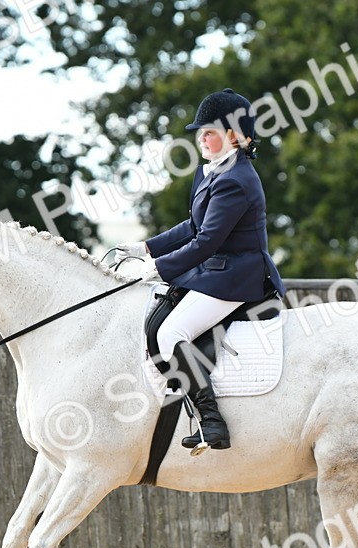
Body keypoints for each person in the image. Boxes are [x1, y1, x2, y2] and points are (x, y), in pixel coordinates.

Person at [115, 88, 286, 452]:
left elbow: (207, 240)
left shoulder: (237, 180)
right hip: (215, 270)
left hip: (238, 276)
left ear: (237, 136)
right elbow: (192, 226)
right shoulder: (211, 172)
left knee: (171, 332)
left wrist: (158, 268)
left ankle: (212, 422)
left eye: (210, 131)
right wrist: (146, 247)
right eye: (200, 132)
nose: (201, 138)